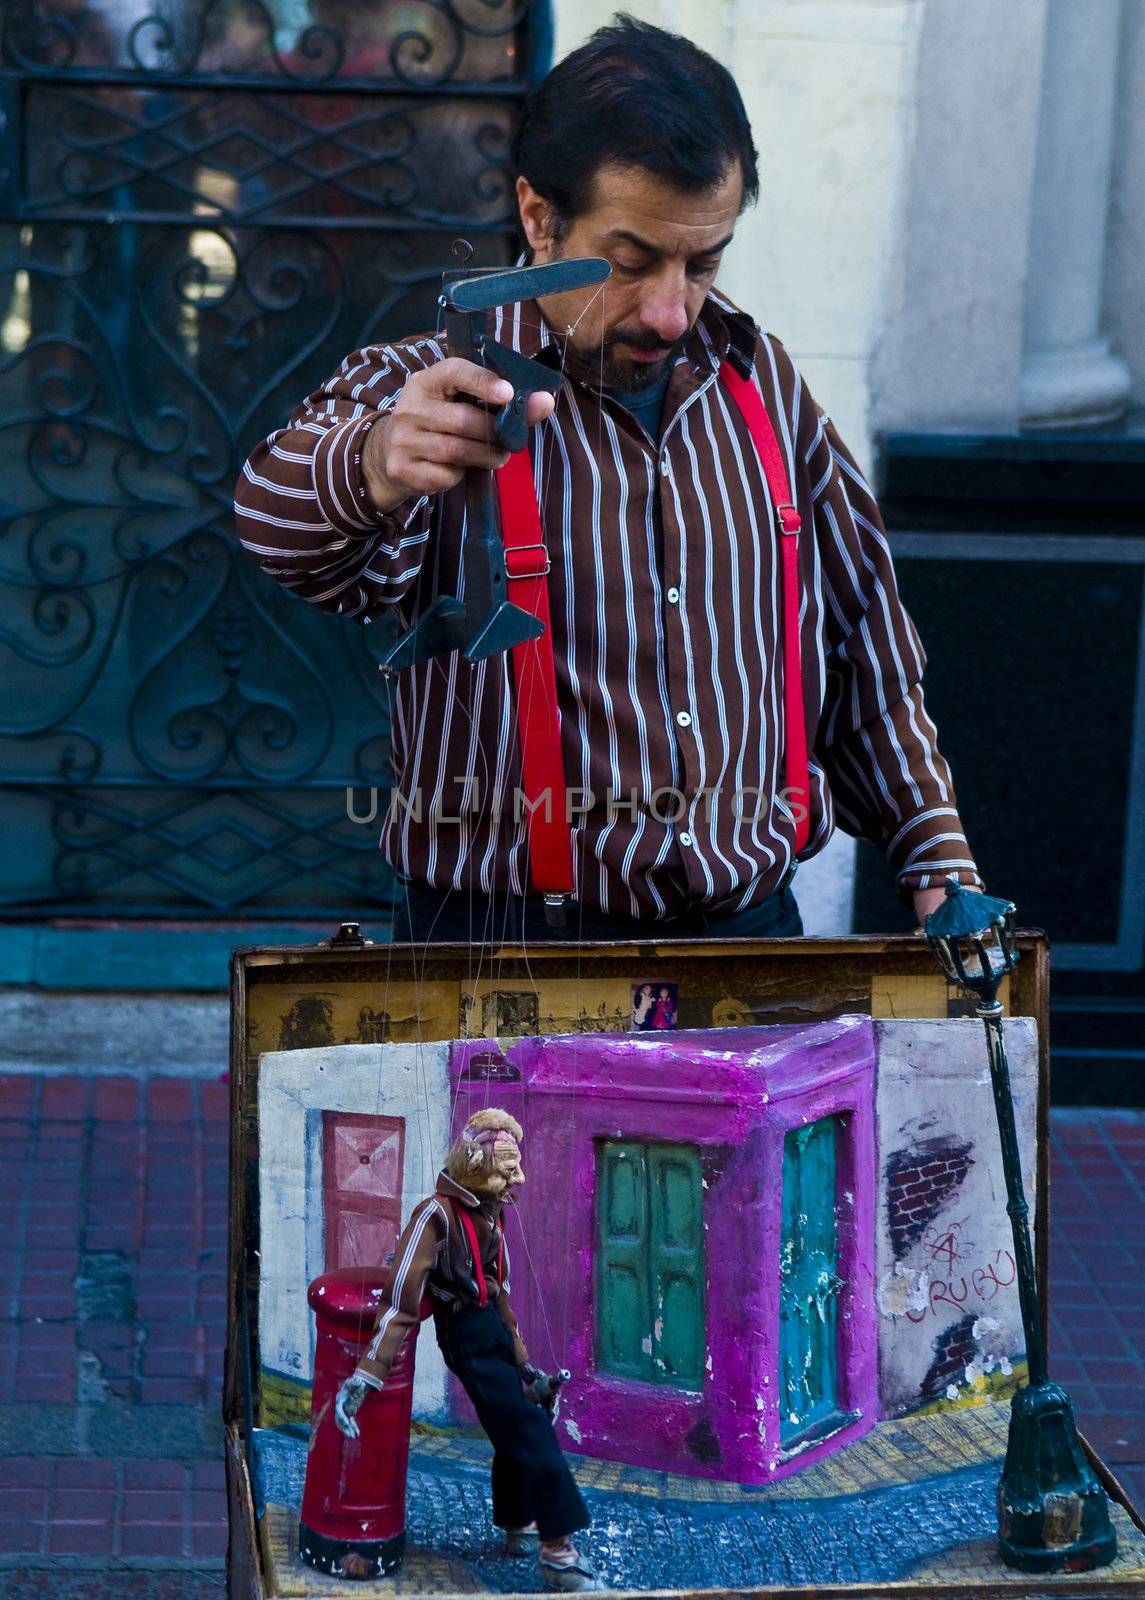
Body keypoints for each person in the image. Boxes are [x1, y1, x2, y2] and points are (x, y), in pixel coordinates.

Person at [234, 16, 983, 945]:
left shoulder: (764, 387)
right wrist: (375, 460)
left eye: (701, 264)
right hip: (504, 954)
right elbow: (273, 521)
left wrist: (936, 866)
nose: (669, 312)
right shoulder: (435, 385)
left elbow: (862, 639)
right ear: (539, 216)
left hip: (751, 942)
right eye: (629, 264)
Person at [334, 1110, 598, 1591]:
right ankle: (559, 1553)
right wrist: (369, 1372)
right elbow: (402, 1298)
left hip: (490, 1328)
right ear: (476, 1167)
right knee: (527, 1430)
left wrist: (524, 1366)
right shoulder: (435, 1215)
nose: (518, 1178)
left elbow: (499, 1293)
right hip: (464, 1335)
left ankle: (520, 1525)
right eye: (507, 1169)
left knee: (517, 1423)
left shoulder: (491, 1214)